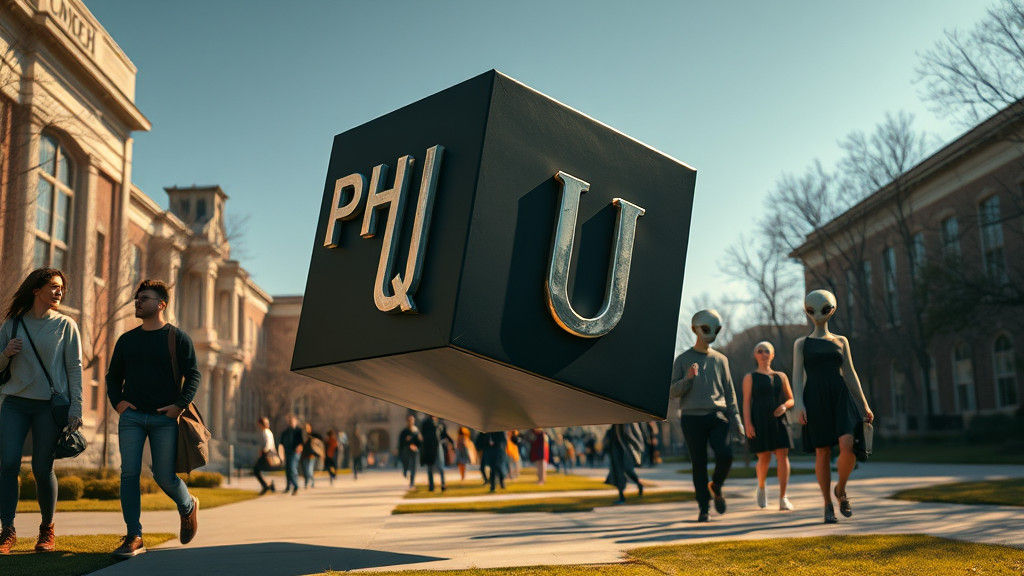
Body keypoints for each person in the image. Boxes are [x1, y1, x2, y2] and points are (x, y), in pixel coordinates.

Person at [106, 279, 199, 557]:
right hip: (132, 418)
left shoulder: (177, 338)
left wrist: (179, 406)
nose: (138, 302)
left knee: (164, 476)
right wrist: (118, 402)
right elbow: (113, 377)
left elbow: (193, 374)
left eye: (143, 298)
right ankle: (134, 535)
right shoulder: (127, 340)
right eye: (137, 298)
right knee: (129, 474)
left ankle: (187, 506)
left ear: (161, 304)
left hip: (165, 419)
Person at [0, 268, 83, 554]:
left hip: (49, 407)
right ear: (36, 289)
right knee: (8, 463)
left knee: (41, 467)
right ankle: (7, 530)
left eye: (61, 287)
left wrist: (77, 407)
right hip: (14, 402)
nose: (59, 292)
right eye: (53, 286)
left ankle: (47, 529)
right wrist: (5, 353)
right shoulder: (11, 325)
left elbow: (74, 368)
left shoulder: (66, 326)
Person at [794, 290, 874, 524]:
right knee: (822, 451)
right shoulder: (802, 344)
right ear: (806, 311)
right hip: (814, 398)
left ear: (833, 309)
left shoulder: (841, 341)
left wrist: (865, 404)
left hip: (840, 396)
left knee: (848, 445)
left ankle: (841, 489)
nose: (818, 314)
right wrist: (799, 405)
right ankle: (828, 505)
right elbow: (797, 377)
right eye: (812, 310)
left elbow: (850, 373)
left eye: (824, 308)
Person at [669, 309, 745, 523]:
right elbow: (673, 392)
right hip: (691, 418)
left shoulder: (721, 359)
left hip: (717, 415)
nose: (711, 333)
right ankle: (704, 507)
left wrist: (737, 419)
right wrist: (688, 378)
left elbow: (729, 392)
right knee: (699, 463)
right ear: (694, 329)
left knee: (726, 454)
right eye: (705, 328)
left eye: (716, 329)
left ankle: (716, 486)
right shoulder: (683, 359)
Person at [742, 341, 795, 511]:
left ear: (772, 355)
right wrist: (748, 424)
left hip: (779, 420)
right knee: (764, 458)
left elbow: (791, 399)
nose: (763, 353)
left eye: (767, 351)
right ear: (755, 355)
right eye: (760, 351)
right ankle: (761, 487)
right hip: (759, 420)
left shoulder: (781, 376)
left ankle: (783, 497)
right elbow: (746, 403)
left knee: (782, 455)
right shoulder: (750, 377)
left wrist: (785, 406)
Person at [605, 423, 645, 503]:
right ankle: (621, 496)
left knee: (628, 471)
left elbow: (629, 435)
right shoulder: (614, 425)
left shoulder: (625, 423)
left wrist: (638, 446)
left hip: (623, 451)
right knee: (618, 473)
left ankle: (639, 484)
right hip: (616, 450)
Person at [419, 415, 451, 492]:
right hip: (429, 447)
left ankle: (442, 484)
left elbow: (444, 434)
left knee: (440, 466)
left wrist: (451, 441)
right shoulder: (426, 423)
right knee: (430, 467)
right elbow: (423, 435)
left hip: (437, 446)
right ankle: (431, 486)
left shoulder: (439, 423)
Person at [279, 415, 304, 495]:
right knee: (288, 469)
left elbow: (302, 442)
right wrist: (281, 454)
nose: (291, 423)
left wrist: (299, 447)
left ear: (296, 421)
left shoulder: (299, 431)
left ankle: (296, 486)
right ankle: (288, 487)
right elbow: (281, 444)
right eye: (290, 421)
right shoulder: (285, 432)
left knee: (292, 468)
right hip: (287, 452)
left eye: (293, 421)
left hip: (295, 452)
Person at [253, 417, 277, 495]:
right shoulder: (269, 432)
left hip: (266, 453)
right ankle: (268, 485)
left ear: (260, 424)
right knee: (258, 470)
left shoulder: (265, 432)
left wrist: (263, 451)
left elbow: (268, 444)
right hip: (268, 453)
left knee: (256, 470)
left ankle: (266, 485)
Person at [397, 415, 421, 489]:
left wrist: (416, 446)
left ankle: (412, 482)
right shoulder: (404, 431)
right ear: (407, 421)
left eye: (412, 420)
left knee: (414, 466)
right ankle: (405, 471)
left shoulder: (416, 431)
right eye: (409, 420)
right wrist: (406, 441)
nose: (411, 422)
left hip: (414, 451)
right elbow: (400, 442)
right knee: (406, 464)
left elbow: (419, 441)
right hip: (406, 450)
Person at [301, 422, 324, 489]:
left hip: (311, 456)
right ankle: (307, 482)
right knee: (305, 471)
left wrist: (319, 453)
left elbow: (319, 443)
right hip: (304, 455)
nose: (306, 429)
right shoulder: (302, 436)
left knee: (309, 470)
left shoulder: (313, 435)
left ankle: (311, 482)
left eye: (307, 427)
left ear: (310, 428)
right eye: (305, 428)